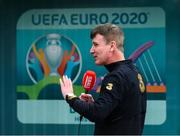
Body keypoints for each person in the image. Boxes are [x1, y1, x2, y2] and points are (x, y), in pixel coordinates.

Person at [59, 23, 147, 135]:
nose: (91, 50)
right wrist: (95, 104)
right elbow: (119, 113)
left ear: (112, 46)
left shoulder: (115, 77)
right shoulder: (135, 71)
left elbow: (97, 113)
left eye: (95, 45)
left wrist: (70, 96)